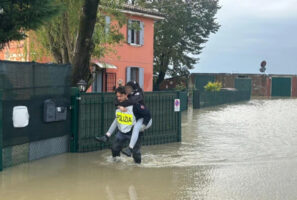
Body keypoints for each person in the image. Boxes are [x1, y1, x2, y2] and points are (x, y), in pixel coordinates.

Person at [95, 86, 151, 164]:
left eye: (120, 96)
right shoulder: (118, 103)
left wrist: (143, 126)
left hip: (133, 132)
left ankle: (137, 167)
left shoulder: (135, 105)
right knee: (114, 148)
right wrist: (119, 106)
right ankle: (116, 163)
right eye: (117, 96)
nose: (119, 98)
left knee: (136, 153)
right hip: (122, 132)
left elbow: (147, 114)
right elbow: (117, 117)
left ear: (126, 95)